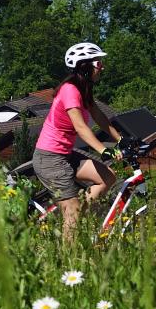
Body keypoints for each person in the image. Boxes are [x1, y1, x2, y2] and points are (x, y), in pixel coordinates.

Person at [33, 42, 124, 240]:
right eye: (98, 63)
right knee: (72, 208)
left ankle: (73, 218)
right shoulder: (70, 90)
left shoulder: (84, 88)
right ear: (85, 65)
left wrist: (121, 139)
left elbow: (99, 117)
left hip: (64, 155)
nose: (102, 67)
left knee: (107, 177)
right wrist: (103, 150)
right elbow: (81, 127)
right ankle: (69, 260)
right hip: (49, 159)